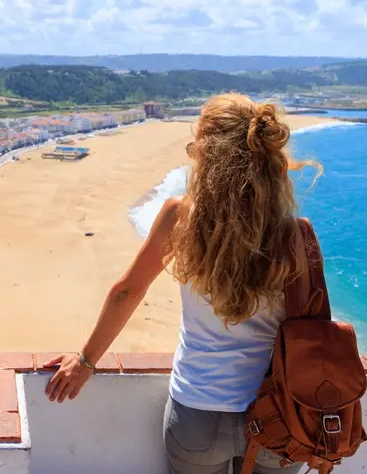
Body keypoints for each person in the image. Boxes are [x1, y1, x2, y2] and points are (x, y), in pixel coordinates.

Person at [44, 93, 322, 474]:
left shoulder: (181, 216)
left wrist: (86, 360)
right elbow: (310, 324)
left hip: (198, 411)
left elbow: (129, 291)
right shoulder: (293, 234)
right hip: (277, 411)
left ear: (208, 154)